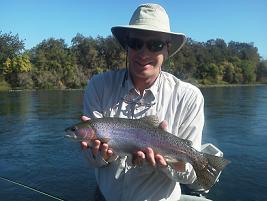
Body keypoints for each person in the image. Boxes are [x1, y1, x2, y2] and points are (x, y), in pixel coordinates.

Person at [81, 3, 204, 201]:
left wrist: (167, 164)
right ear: (127, 46)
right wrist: (103, 154)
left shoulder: (189, 97)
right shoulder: (99, 86)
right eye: (136, 43)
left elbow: (190, 174)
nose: (144, 53)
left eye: (155, 45)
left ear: (167, 49)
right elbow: (91, 160)